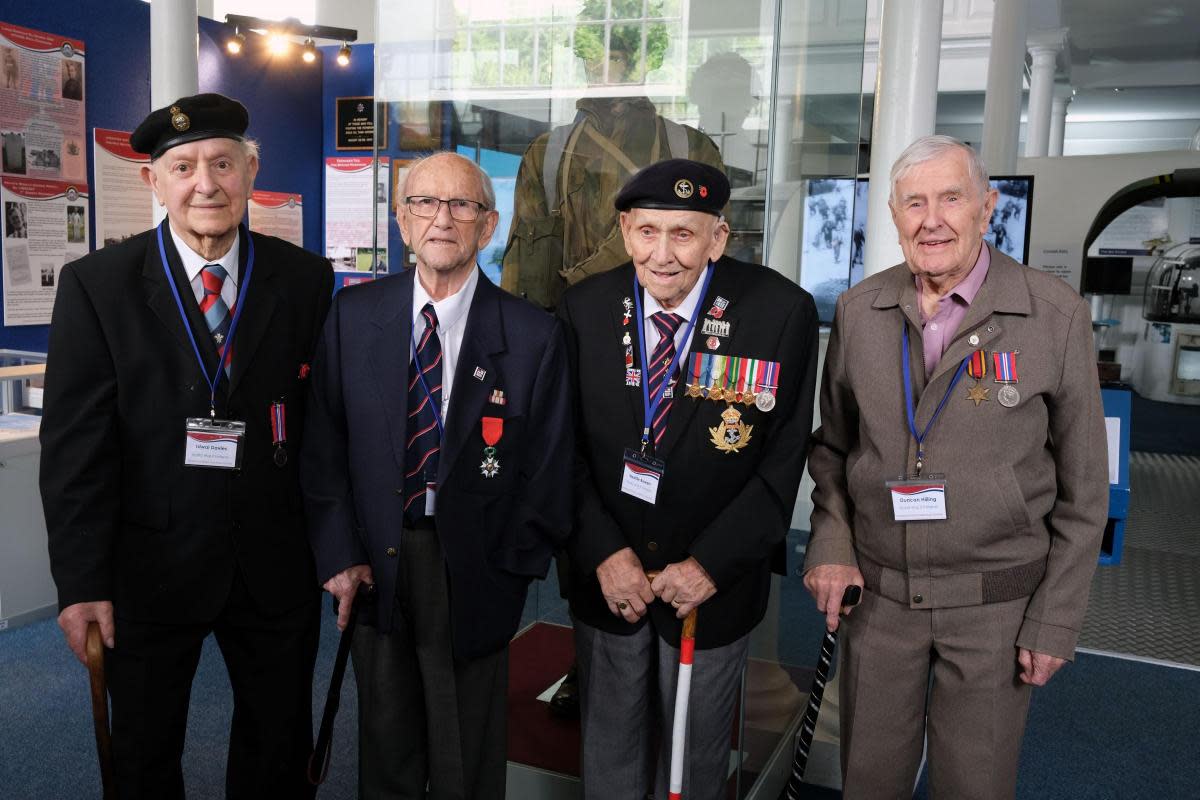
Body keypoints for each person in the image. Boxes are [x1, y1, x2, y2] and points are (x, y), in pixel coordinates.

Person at [39, 93, 332, 799]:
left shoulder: (304, 279)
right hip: (148, 571)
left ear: (250, 171)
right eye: (185, 167)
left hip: (274, 568)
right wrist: (81, 584)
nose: (207, 183)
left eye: (224, 163)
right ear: (154, 182)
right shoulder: (98, 287)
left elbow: (325, 427)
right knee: (142, 754)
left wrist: (339, 549)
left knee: (277, 752)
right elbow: (75, 453)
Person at [804, 135, 1108, 798]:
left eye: (951, 198)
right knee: (868, 781)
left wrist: (1054, 619)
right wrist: (831, 543)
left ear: (987, 207)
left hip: (995, 609)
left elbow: (1087, 495)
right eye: (914, 202)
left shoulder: (1053, 315)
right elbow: (832, 451)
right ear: (892, 213)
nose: (931, 219)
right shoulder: (860, 312)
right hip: (880, 603)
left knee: (975, 785)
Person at [302, 151, 572, 799]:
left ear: (489, 224)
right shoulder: (353, 317)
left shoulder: (534, 335)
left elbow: (551, 469)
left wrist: (511, 571)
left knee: (465, 754)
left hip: (477, 567)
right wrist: (339, 556)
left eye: (463, 205)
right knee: (385, 739)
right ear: (401, 221)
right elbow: (323, 448)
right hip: (376, 561)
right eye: (424, 203)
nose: (442, 219)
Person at [557, 158, 819, 799]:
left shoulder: (779, 312)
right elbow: (560, 453)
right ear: (625, 230)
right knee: (609, 755)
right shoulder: (584, 308)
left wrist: (708, 564)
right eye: (649, 231)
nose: (664, 254)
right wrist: (605, 554)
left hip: (711, 587)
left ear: (718, 238)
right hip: (610, 580)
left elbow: (781, 466)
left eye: (684, 234)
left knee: (693, 763)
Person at [500, 20, 724, 311]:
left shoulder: (691, 149)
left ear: (642, 64)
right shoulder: (548, 153)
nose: (599, 68)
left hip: (666, 328)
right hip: (572, 331)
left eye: (614, 58)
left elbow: (714, 256)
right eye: (592, 56)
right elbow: (524, 271)